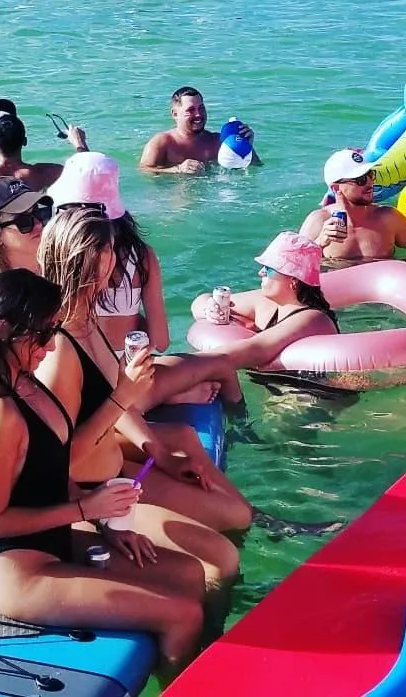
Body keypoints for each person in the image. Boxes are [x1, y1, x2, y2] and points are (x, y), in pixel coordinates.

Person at [0, 269, 206, 674]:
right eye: (41, 334)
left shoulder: (27, 383)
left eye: (54, 330)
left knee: (191, 574)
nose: (51, 346)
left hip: (59, 539)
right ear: (3, 329)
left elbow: (54, 467)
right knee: (184, 614)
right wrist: (87, 510)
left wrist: (109, 525)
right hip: (17, 568)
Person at [35, 206, 251, 555]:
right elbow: (60, 463)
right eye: (110, 250)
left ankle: (260, 518)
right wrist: (125, 395)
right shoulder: (59, 348)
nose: (119, 260)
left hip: (110, 462)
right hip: (93, 487)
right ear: (93, 263)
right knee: (228, 536)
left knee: (238, 514)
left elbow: (111, 402)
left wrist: (163, 457)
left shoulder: (86, 322)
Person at [48, 152, 243, 406]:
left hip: (72, 384)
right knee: (223, 365)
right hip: (129, 385)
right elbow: (160, 342)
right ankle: (246, 434)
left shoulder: (52, 252)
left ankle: (168, 399)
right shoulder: (140, 256)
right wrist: (129, 319)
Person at [190, 231, 339, 369]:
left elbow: (257, 350)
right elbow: (201, 300)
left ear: (293, 280)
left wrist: (186, 366)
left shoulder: (313, 319)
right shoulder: (265, 303)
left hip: (313, 392)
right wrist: (210, 308)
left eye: (268, 269)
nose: (260, 272)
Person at [300, 148, 406, 263]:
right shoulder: (318, 221)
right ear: (336, 188)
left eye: (370, 175)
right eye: (360, 180)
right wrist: (319, 243)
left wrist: (401, 270)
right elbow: (292, 267)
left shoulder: (389, 218)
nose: (369, 183)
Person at [0, 177, 53, 308]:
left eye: (39, 212)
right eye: (23, 221)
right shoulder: (2, 302)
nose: (38, 224)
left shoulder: (66, 268)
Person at [139, 86, 257, 174]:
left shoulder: (218, 141)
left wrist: (247, 147)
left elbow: (255, 168)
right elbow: (143, 170)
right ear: (175, 114)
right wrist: (178, 169)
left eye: (201, 108)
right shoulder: (162, 142)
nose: (198, 114)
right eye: (191, 110)